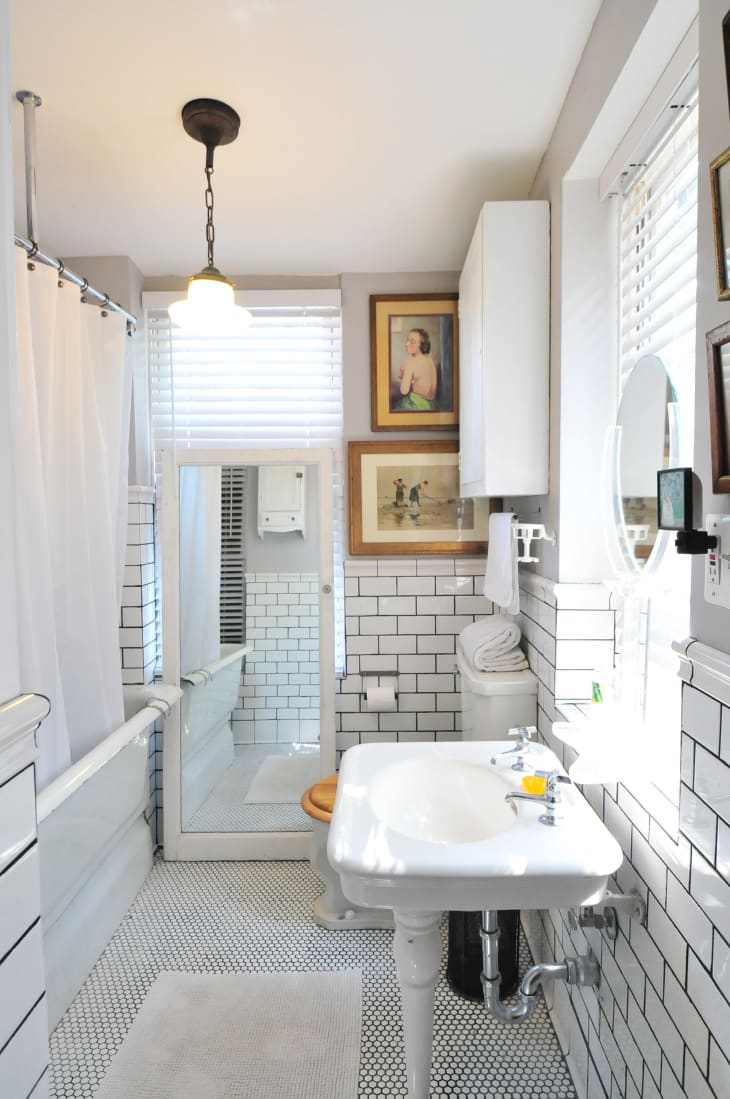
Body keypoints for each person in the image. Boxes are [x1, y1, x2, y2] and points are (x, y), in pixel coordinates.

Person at [394, 328, 438, 411]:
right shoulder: (429, 359)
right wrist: (410, 379)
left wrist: (404, 377)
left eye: (412, 341)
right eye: (407, 340)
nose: (407, 344)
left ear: (422, 345)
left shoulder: (411, 361)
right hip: (432, 404)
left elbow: (404, 390)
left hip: (417, 404)